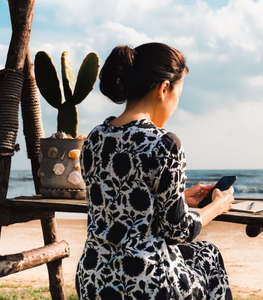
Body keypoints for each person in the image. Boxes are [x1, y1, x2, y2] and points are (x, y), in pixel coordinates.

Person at [75, 42, 235, 300]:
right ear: (163, 89)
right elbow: (178, 231)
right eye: (177, 95)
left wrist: (180, 199)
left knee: (202, 253)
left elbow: (119, 206)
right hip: (148, 283)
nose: (175, 105)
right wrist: (218, 205)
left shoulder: (94, 139)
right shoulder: (165, 144)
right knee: (209, 255)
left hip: (94, 279)